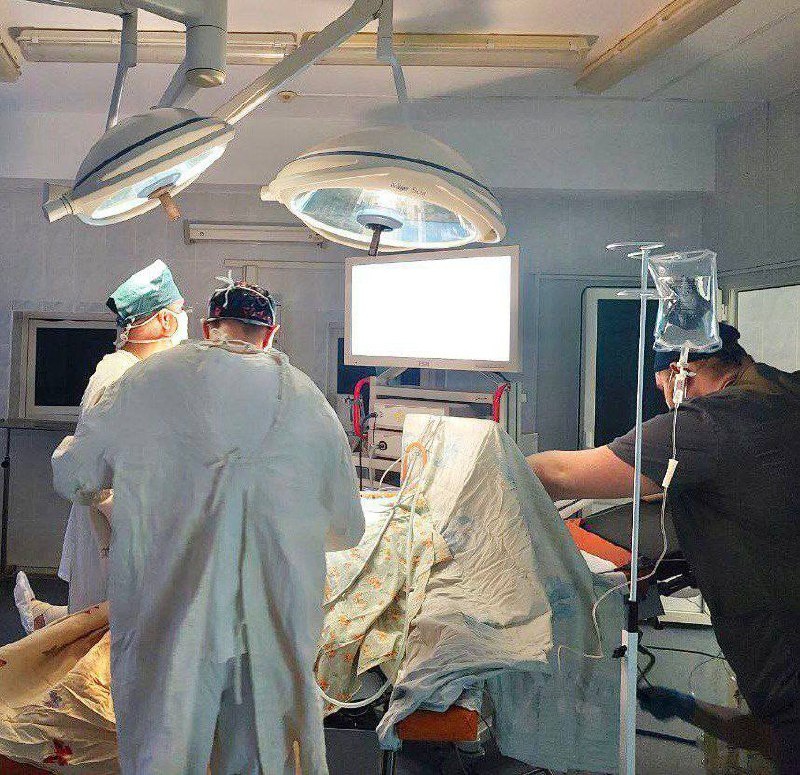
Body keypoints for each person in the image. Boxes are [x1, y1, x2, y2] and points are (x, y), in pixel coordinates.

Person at [51, 280, 365, 775]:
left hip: (170, 621)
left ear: (205, 328)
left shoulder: (147, 381)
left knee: (163, 752)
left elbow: (74, 476)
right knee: (257, 757)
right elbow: (348, 529)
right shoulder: (310, 403)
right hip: (268, 633)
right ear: (272, 334)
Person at [528, 323, 800, 774]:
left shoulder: (707, 424)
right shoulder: (783, 391)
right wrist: (690, 709)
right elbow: (774, 737)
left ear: (681, 373)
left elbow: (556, 474)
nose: (669, 405)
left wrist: (486, 462)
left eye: (664, 391)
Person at [15, 259, 188, 632]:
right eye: (178, 311)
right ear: (164, 321)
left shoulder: (132, 373)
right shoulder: (120, 377)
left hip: (117, 533)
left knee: (98, 632)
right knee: (99, 642)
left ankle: (45, 618)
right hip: (111, 537)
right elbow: (93, 474)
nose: (182, 320)